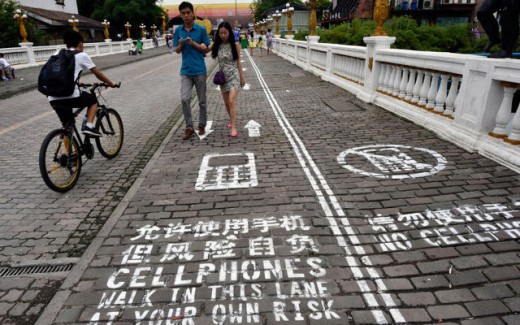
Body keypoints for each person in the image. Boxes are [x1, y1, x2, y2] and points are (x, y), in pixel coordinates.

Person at [47, 30, 118, 137]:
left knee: (67, 127)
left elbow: (57, 74)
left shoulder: (57, 54)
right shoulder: (82, 55)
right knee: (93, 100)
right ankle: (89, 126)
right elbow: (98, 74)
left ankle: (68, 153)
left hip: (53, 97)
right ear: (80, 43)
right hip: (71, 95)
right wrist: (111, 83)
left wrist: (77, 83)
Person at [173, 1, 211, 140]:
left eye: (188, 12)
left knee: (202, 100)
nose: (186, 15)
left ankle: (201, 124)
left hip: (200, 70)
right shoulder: (178, 31)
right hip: (186, 71)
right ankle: (189, 127)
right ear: (180, 15)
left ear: (193, 13)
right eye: (183, 13)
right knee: (184, 99)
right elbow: (176, 50)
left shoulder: (200, 30)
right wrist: (181, 45)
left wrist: (193, 43)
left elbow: (206, 48)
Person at [210, 21, 245, 137]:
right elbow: (205, 50)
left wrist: (242, 77)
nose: (223, 35)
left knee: (231, 100)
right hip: (223, 78)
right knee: (226, 103)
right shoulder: (217, 45)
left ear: (230, 32)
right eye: (220, 33)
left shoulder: (235, 45)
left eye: (225, 33)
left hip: (233, 75)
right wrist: (196, 44)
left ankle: (234, 127)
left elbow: (238, 62)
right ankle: (232, 120)